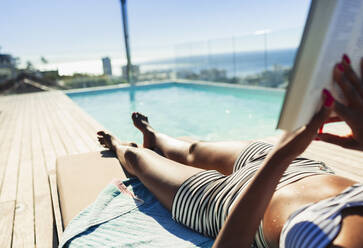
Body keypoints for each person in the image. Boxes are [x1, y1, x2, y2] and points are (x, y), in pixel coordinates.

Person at [97, 55, 363, 248]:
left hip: (233, 205)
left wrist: (281, 155)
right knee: (192, 149)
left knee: (136, 159)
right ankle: (155, 136)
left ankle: (119, 145)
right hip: (302, 167)